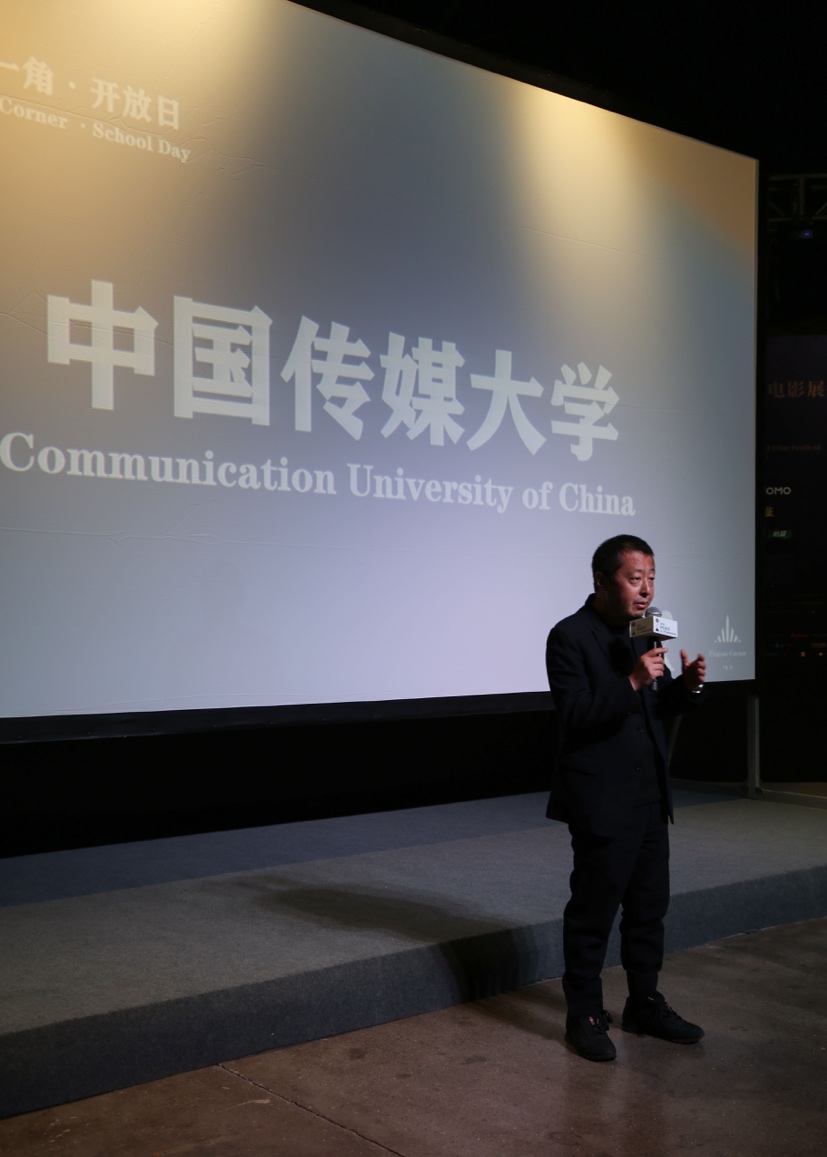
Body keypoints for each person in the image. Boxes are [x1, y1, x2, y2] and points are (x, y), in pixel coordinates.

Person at [546, 534, 706, 1062]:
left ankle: (644, 1004)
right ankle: (584, 1014)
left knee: (648, 909)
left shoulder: (644, 633)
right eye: (635, 579)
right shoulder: (569, 636)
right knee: (593, 913)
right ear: (601, 579)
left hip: (648, 797)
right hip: (601, 801)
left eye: (651, 579)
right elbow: (575, 715)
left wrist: (686, 688)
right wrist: (632, 681)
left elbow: (654, 709)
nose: (646, 590)